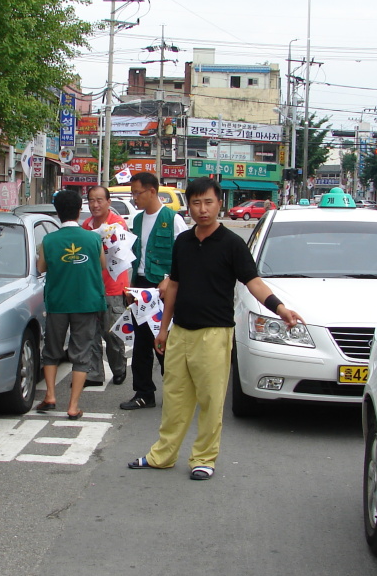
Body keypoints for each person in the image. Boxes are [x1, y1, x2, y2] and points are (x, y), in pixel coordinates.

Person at [127, 178, 303, 480]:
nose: (202, 209)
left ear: (219, 204)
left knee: (210, 400)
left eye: (208, 202)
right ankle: (163, 455)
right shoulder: (183, 242)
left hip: (214, 334)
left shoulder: (232, 244)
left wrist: (280, 308)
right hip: (181, 332)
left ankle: (203, 459)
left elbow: (253, 282)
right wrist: (164, 329)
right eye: (196, 203)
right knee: (175, 398)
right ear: (189, 206)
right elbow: (174, 286)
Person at [34, 190, 106, 420]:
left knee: (51, 351)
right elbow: (103, 265)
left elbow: (41, 268)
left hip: (58, 302)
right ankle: (73, 406)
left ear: (57, 212)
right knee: (82, 352)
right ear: (79, 210)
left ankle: (50, 396)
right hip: (86, 302)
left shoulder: (48, 240)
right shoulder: (93, 238)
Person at [120, 171, 187, 410]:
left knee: (165, 341)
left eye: (137, 193)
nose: (134, 197)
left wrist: (169, 279)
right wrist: (129, 288)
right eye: (133, 193)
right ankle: (144, 393)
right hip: (140, 287)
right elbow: (134, 256)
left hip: (164, 289)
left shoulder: (173, 219)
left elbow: (184, 256)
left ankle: (177, 393)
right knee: (141, 342)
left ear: (152, 191)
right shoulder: (137, 220)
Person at [82, 185, 129, 386]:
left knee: (112, 334)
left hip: (113, 287)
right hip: (91, 287)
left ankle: (119, 368)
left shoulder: (118, 224)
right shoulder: (86, 225)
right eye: (91, 200)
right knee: (91, 333)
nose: (95, 205)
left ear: (108, 202)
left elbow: (120, 251)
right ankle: (94, 374)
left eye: (99, 200)